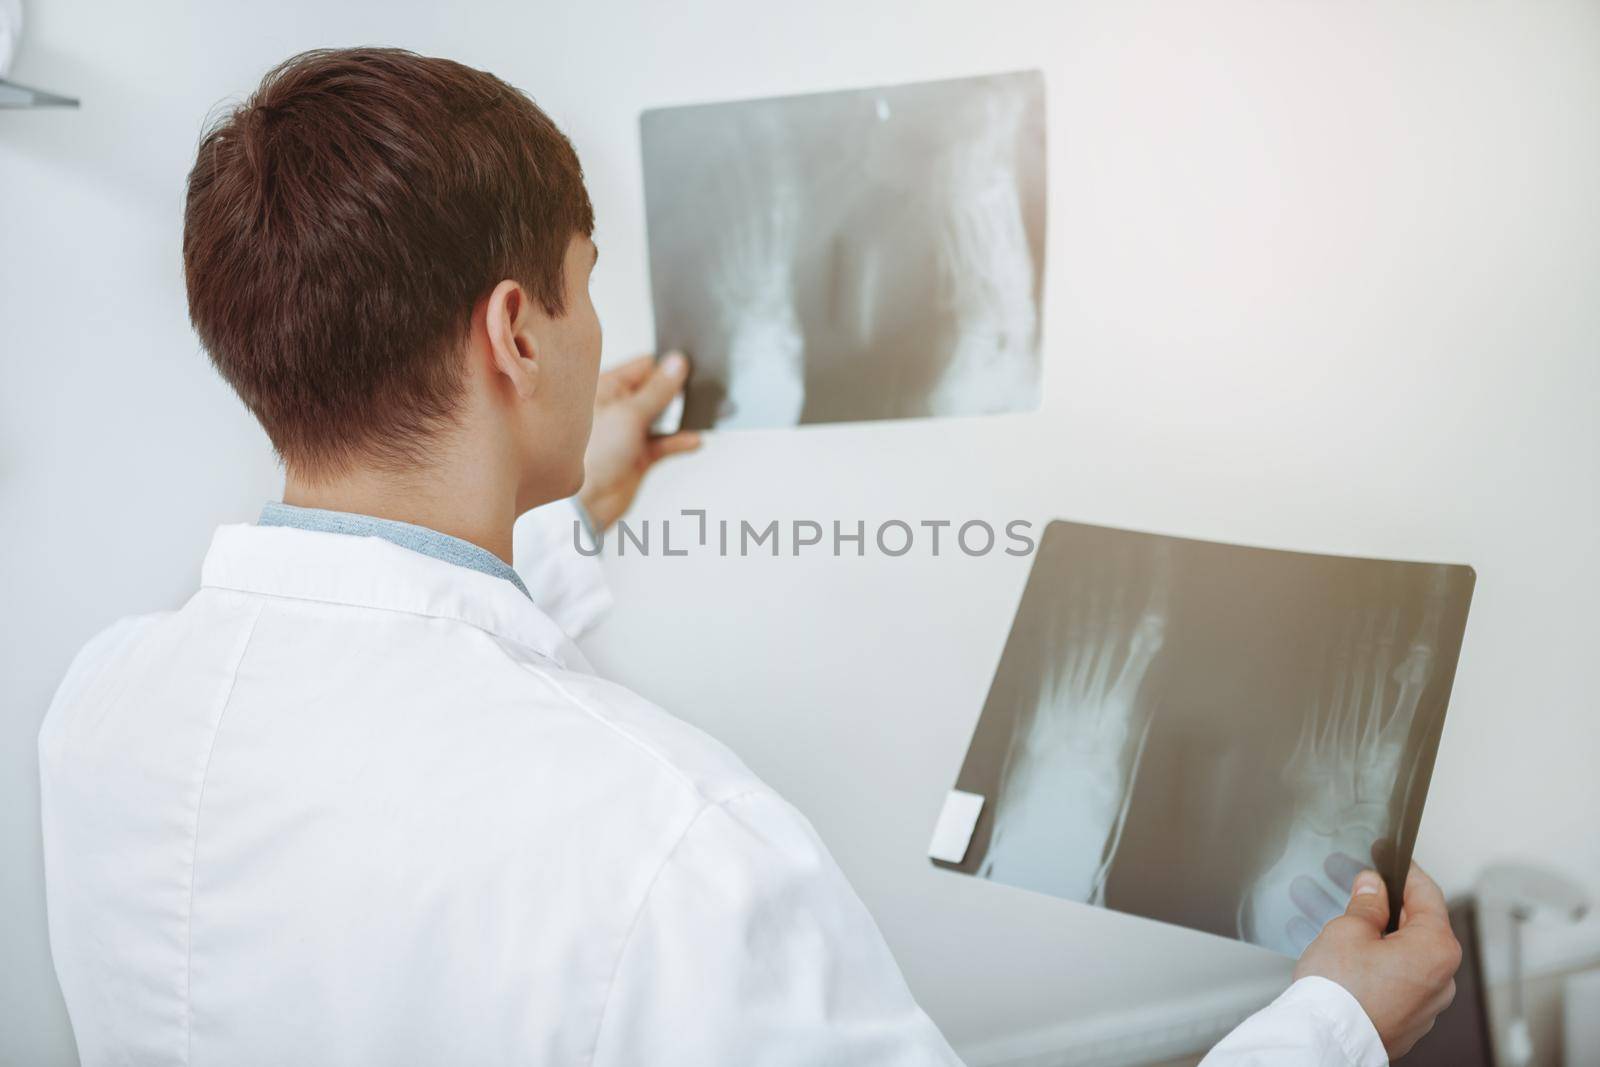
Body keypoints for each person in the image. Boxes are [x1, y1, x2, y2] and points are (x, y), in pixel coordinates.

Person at [37, 47, 1459, 1067]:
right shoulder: (672, 843)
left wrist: (573, 507)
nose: (603, 337)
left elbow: (406, 694)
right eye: (592, 291)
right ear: (517, 331)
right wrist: (1338, 1023)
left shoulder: (103, 709)